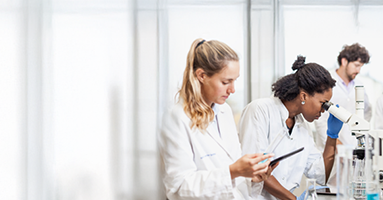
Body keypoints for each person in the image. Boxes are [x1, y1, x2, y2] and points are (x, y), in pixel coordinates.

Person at [158, 38, 276, 200]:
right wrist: (233, 171)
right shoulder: (176, 118)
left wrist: (252, 177)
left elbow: (232, 178)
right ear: (202, 76)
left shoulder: (224, 111)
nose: (232, 89)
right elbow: (178, 189)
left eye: (235, 81)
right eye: (226, 82)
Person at [238, 56, 343, 200]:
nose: (323, 110)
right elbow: (257, 169)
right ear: (304, 96)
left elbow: (320, 175)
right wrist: (293, 199)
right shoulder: (260, 110)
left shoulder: (303, 126)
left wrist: (332, 136)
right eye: (323, 103)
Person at [313, 43, 371, 191]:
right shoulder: (327, 83)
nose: (358, 70)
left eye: (361, 66)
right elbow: (320, 120)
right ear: (344, 61)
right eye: (356, 65)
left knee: (353, 189)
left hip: (353, 149)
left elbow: (366, 113)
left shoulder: (359, 85)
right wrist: (337, 145)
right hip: (332, 147)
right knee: (331, 189)